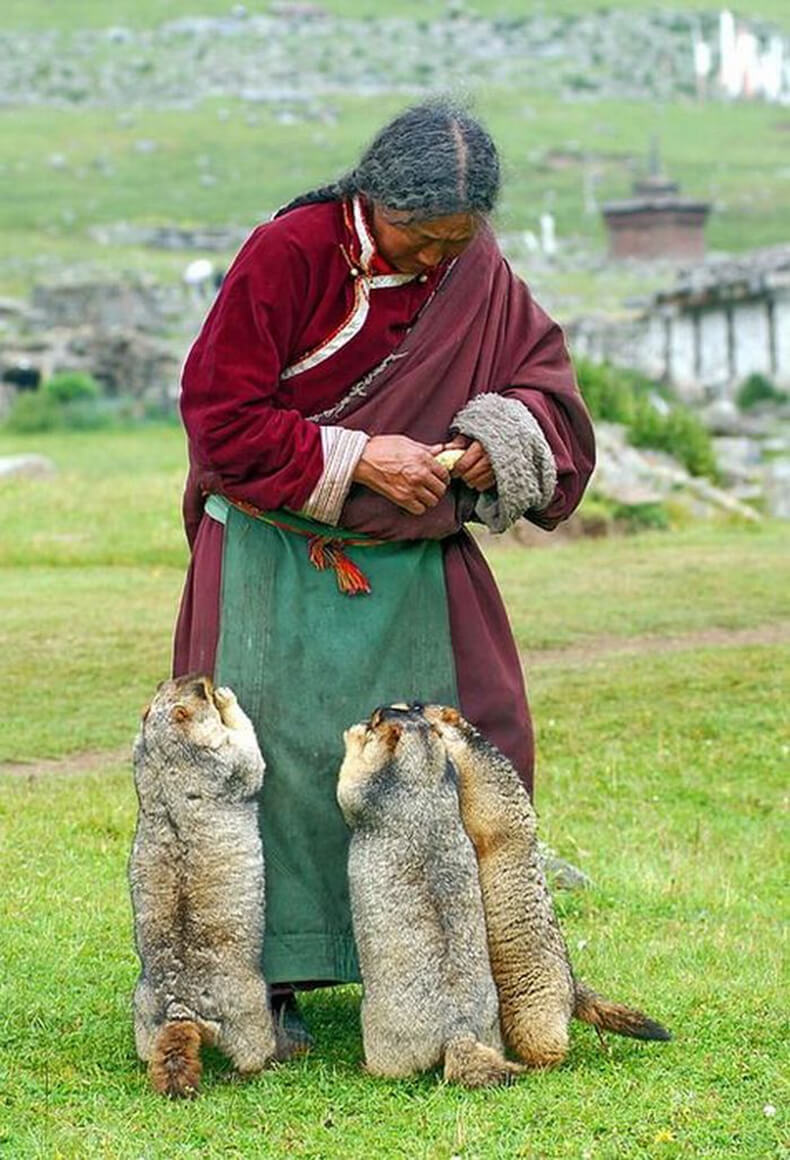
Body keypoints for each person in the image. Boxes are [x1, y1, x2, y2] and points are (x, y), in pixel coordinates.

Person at [173, 100, 595, 1044]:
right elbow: (218, 416)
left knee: (475, 744)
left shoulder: (473, 267)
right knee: (264, 769)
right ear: (375, 199)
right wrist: (359, 458)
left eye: (459, 238)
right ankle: (256, 987)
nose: (438, 259)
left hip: (417, 567)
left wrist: (500, 440)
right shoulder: (289, 252)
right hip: (272, 561)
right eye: (422, 237)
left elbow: (547, 388)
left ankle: (459, 973)